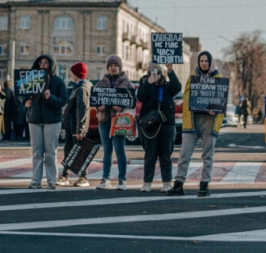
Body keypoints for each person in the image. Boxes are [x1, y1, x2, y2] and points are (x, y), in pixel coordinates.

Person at [168, 51, 225, 197]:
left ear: (210, 62)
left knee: (207, 154)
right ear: (198, 63)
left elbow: (221, 102)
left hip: (209, 121)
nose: (204, 63)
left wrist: (215, 109)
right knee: (184, 153)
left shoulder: (218, 79)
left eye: (206, 61)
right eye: (201, 61)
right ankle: (178, 184)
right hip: (192, 120)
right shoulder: (193, 78)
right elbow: (187, 96)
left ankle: (204, 185)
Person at [137, 62, 182, 193]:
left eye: (156, 71)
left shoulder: (167, 85)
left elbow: (177, 88)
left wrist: (170, 71)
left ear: (161, 72)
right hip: (151, 124)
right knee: (150, 154)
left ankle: (167, 182)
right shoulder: (145, 83)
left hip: (166, 123)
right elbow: (140, 97)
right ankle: (147, 182)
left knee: (166, 154)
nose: (154, 73)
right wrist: (148, 83)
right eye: (151, 71)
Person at [25, 54, 68, 189]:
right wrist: (24, 101)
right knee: (36, 151)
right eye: (41, 63)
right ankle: (35, 181)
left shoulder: (58, 81)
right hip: (35, 119)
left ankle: (52, 181)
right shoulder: (31, 78)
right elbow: (22, 92)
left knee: (51, 152)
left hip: (52, 121)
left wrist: (50, 97)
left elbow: (63, 100)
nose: (43, 65)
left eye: (46, 63)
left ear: (51, 65)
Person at [94, 55, 134, 190]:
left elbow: (132, 101)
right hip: (105, 119)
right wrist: (99, 107)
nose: (113, 68)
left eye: (115, 65)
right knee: (107, 150)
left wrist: (122, 107)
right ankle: (106, 178)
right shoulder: (101, 83)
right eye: (110, 65)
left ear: (120, 67)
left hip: (120, 120)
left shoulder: (127, 83)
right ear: (107, 67)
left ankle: (122, 179)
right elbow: (96, 100)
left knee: (119, 149)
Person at [58, 62, 92, 187]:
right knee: (68, 151)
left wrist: (81, 130)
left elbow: (83, 110)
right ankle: (65, 175)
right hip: (71, 126)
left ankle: (84, 177)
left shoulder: (82, 89)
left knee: (80, 151)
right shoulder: (77, 87)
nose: (70, 75)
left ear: (76, 74)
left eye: (71, 72)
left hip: (76, 127)